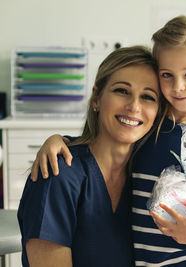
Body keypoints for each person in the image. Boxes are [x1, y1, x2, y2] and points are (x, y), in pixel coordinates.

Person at [30, 14, 186, 266]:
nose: (178, 87)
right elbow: (98, 147)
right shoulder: (150, 132)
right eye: (167, 75)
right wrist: (57, 139)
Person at [18, 46, 162, 267]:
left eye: (147, 97)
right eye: (122, 91)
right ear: (96, 98)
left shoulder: (149, 180)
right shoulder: (58, 174)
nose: (134, 106)